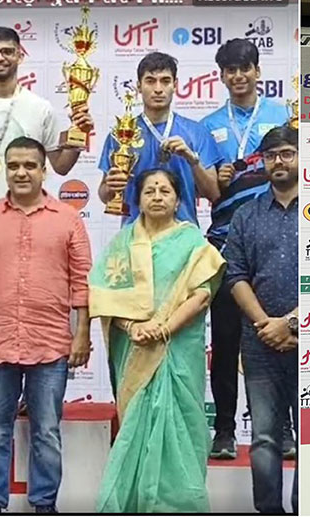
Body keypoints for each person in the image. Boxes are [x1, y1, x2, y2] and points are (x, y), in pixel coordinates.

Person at [0, 26, 93, 417]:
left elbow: (58, 164)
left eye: (7, 51)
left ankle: (30, 385)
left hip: (29, 215)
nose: (0, 58)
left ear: (20, 55)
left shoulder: (40, 108)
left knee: (24, 294)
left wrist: (76, 141)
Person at [0, 137, 92, 514]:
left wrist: (81, 333)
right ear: (4, 167)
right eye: (14, 165)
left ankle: (44, 504)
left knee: (46, 431)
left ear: (43, 169)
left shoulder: (67, 218)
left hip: (50, 342)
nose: (21, 172)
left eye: (30, 165)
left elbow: (82, 283)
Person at [90, 169, 223, 512]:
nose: (158, 196)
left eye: (165, 190)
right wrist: (132, 327)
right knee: (136, 426)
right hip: (134, 348)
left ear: (179, 199)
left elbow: (202, 294)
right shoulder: (123, 243)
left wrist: (162, 329)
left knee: (178, 429)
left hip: (177, 350)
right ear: (138, 199)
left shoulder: (192, 242)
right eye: (150, 191)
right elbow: (104, 295)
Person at [198, 38, 290, 460]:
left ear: (257, 71)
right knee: (228, 340)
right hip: (224, 244)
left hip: (273, 239)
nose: (238, 76)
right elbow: (210, 191)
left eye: (244, 68)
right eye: (229, 70)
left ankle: (281, 427)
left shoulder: (282, 116)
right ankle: (224, 429)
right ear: (221, 76)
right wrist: (215, 174)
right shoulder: (209, 124)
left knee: (278, 333)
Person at [223, 127, 300, 513]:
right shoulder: (246, 214)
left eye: (287, 153)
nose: (279, 162)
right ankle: (268, 510)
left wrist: (292, 323)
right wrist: (267, 325)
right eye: (271, 156)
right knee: (265, 438)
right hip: (259, 344)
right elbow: (234, 275)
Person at [98, 51, 223, 226]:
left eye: (165, 81)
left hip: (184, 236)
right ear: (139, 87)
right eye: (150, 81)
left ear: (175, 85)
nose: (158, 89)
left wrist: (192, 160)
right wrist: (110, 187)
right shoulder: (121, 134)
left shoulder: (197, 132)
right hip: (135, 236)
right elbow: (104, 195)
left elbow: (214, 194)